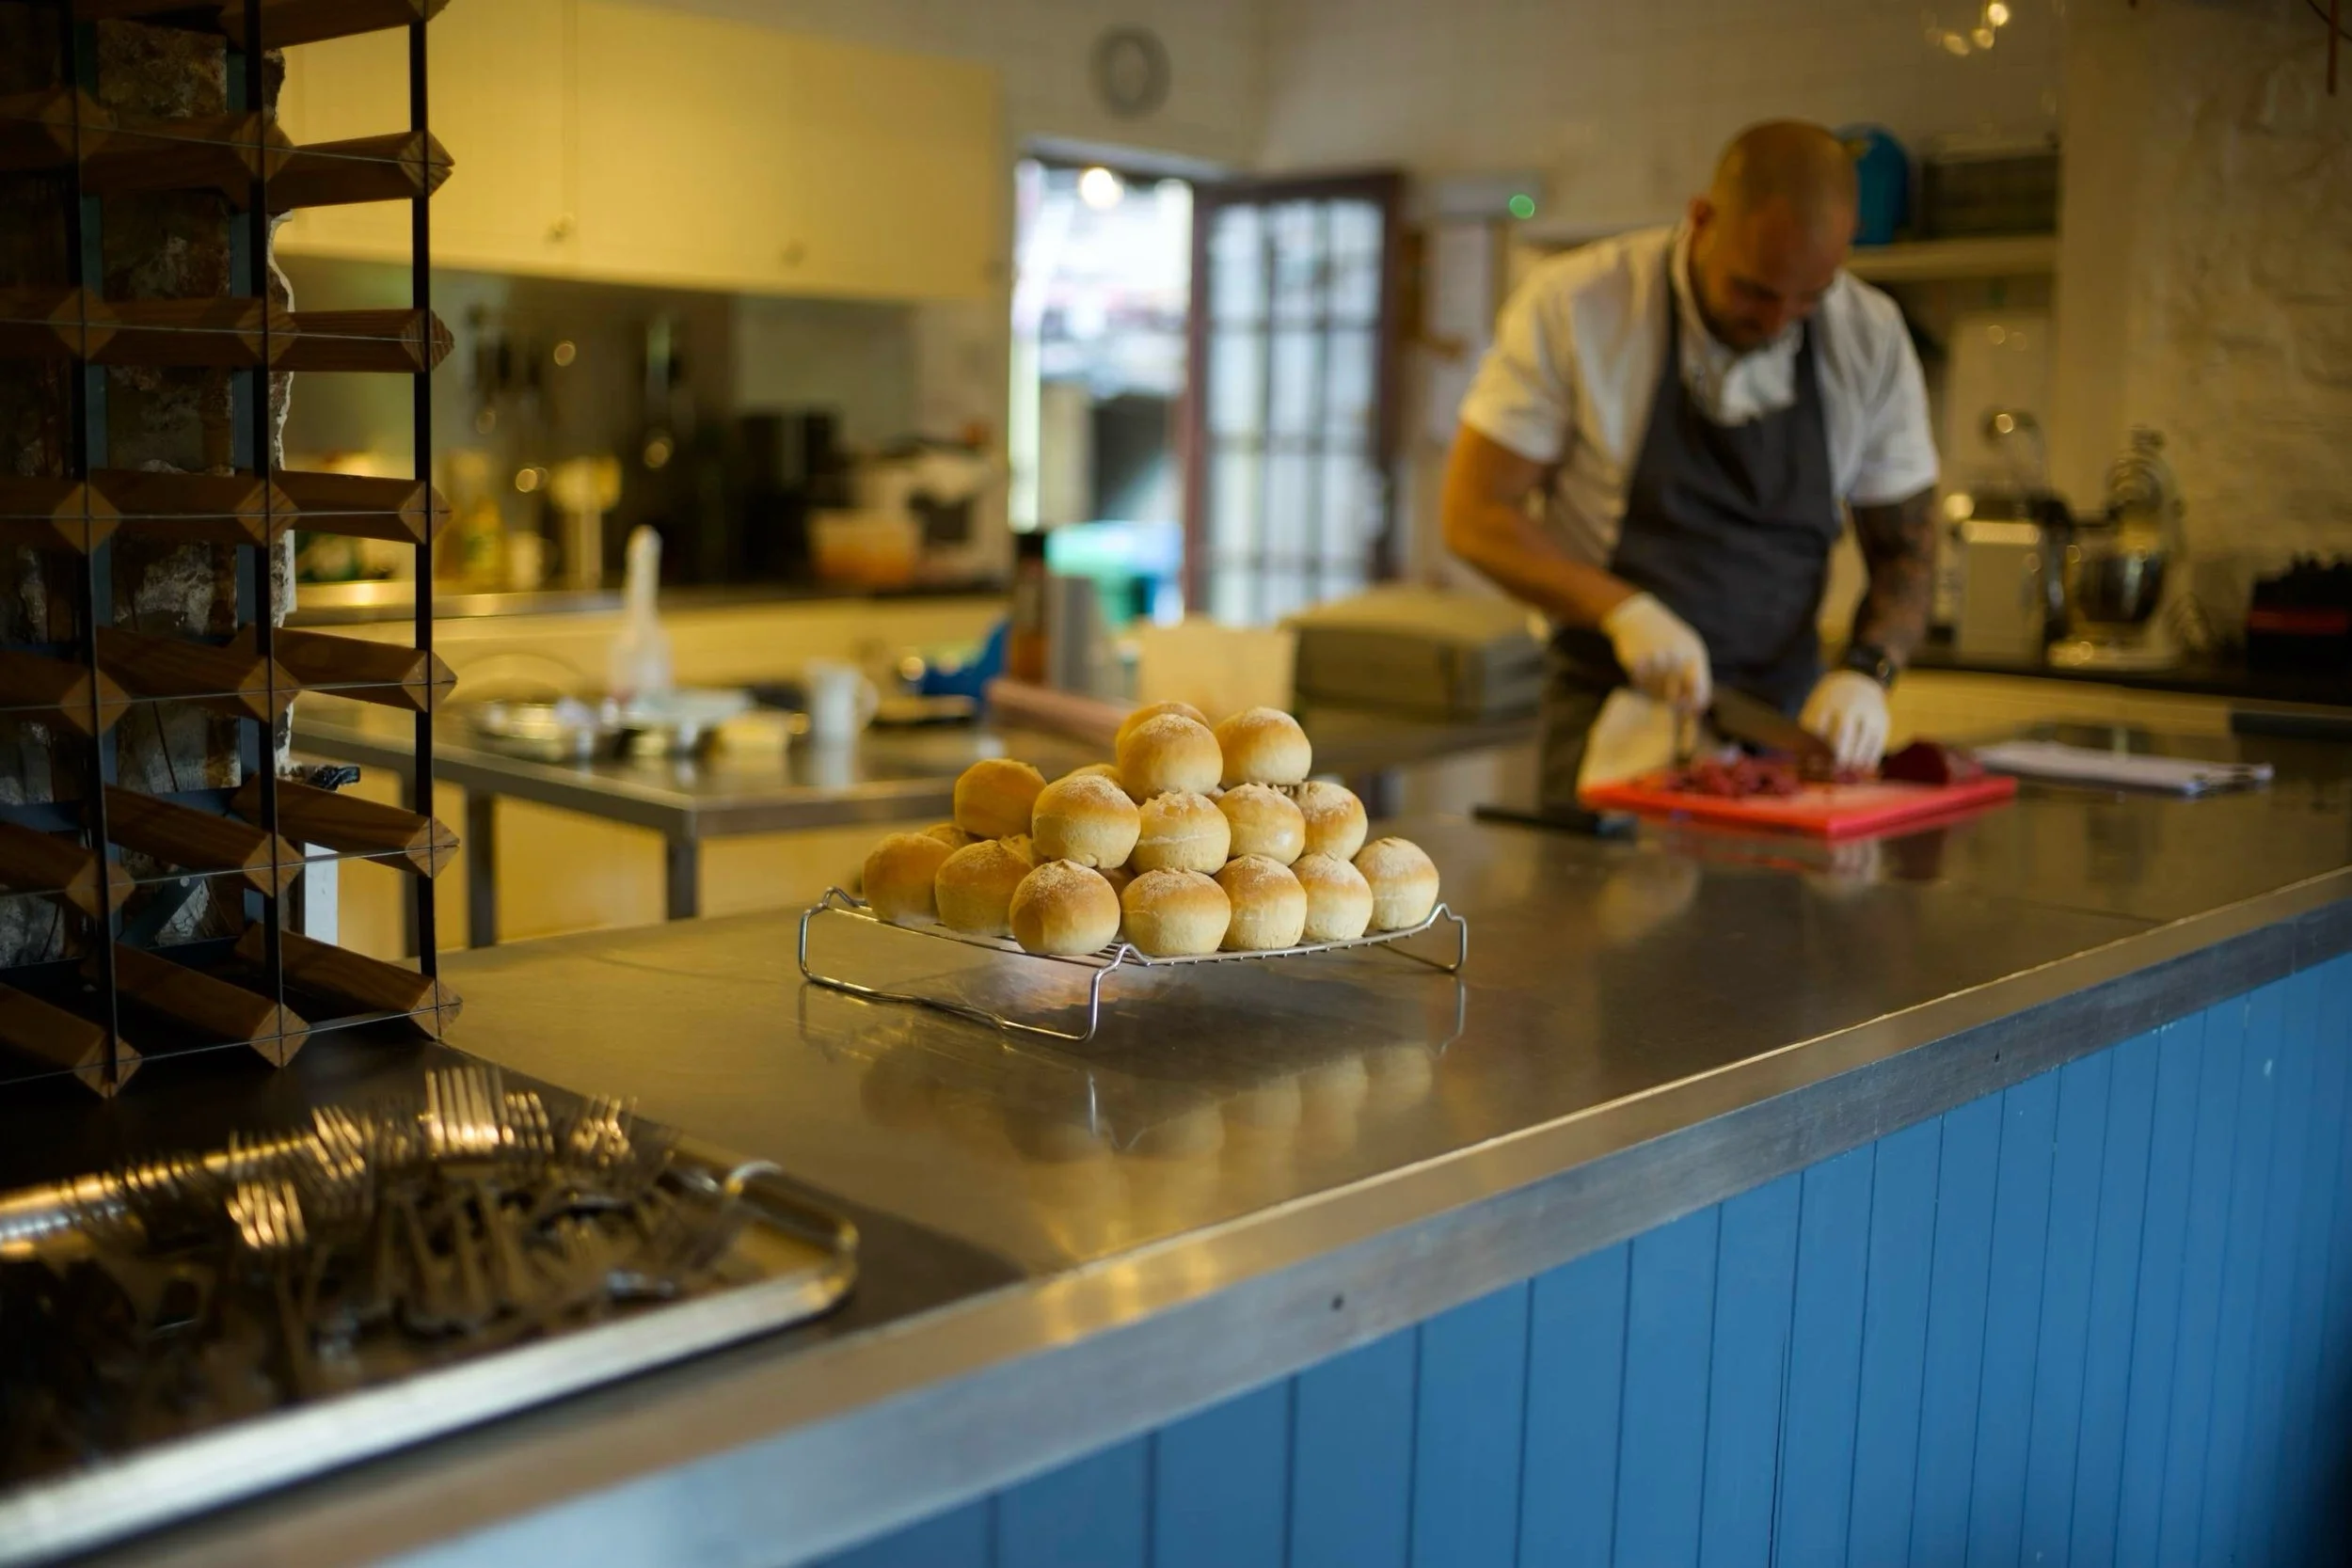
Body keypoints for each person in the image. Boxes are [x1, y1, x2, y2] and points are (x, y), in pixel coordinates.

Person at [1441, 120, 1938, 804]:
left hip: (1780, 724)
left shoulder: (1871, 337)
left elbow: (1910, 552)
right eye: (1755, 291)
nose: (1777, 321)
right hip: (1609, 717)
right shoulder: (1580, 306)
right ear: (1701, 220)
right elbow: (1474, 515)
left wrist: (1867, 670)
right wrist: (1623, 610)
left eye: (1808, 299)